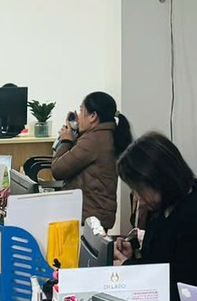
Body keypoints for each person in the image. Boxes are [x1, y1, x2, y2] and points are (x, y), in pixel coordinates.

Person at [114, 132, 197, 301]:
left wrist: (128, 269)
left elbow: (183, 291)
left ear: (159, 180)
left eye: (139, 189)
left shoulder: (194, 217)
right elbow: (157, 266)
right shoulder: (161, 211)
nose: (137, 197)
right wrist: (133, 257)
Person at [42, 91, 131, 232]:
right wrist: (76, 134)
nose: (78, 116)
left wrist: (65, 141)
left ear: (93, 116)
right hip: (96, 213)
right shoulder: (105, 134)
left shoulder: (93, 140)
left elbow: (58, 170)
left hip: (89, 216)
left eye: (81, 110)